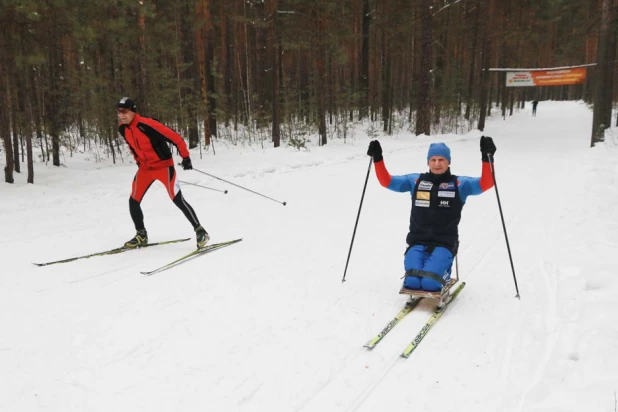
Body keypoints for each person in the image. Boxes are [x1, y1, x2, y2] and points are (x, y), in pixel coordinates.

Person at [366, 136, 496, 292]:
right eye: (433, 159)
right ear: (428, 162)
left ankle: (445, 273)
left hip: (444, 243)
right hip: (417, 241)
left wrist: (487, 158)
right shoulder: (415, 181)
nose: (437, 163)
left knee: (430, 284)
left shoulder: (459, 184)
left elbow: (486, 183)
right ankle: (425, 270)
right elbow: (387, 181)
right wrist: (378, 159)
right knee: (412, 282)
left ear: (448, 162)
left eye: (441, 159)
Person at [116, 97, 209, 249]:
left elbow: (176, 138)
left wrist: (186, 157)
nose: (121, 115)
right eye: (119, 111)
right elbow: (133, 147)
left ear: (133, 111)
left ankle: (201, 231)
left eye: (124, 111)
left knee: (177, 198)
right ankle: (141, 235)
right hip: (145, 169)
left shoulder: (148, 124)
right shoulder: (123, 129)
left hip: (163, 167)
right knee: (133, 200)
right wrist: (139, 162)